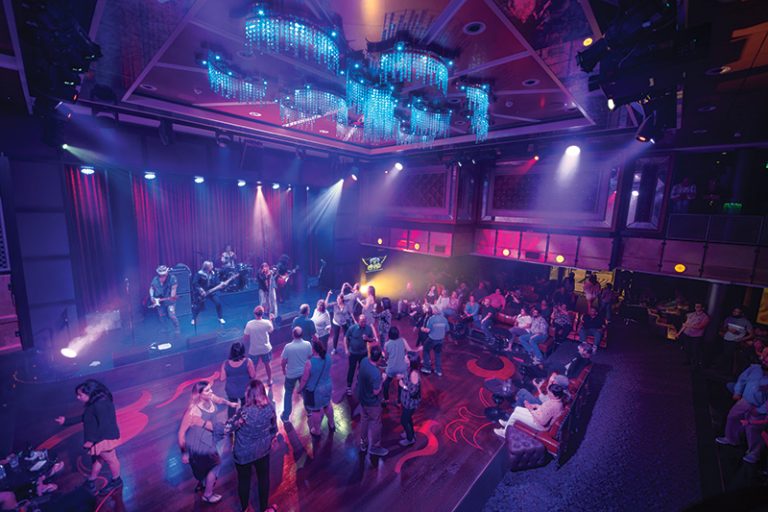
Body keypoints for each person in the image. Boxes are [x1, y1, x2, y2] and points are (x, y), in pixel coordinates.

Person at [54, 380, 122, 495]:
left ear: (90, 393)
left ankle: (117, 480)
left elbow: (105, 426)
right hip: (99, 439)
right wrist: (66, 421)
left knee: (111, 460)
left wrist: (92, 441)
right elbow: (86, 418)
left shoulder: (100, 405)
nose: (78, 397)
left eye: (80, 395)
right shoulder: (94, 403)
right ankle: (91, 480)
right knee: (98, 460)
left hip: (104, 439)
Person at [177, 381, 236, 504]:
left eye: (211, 389)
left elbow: (219, 400)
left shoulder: (210, 397)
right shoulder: (193, 410)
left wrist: (229, 403)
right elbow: (181, 433)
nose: (211, 392)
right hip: (198, 442)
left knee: (207, 465)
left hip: (210, 437)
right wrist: (184, 453)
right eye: (208, 390)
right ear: (199, 394)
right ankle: (208, 494)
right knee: (216, 464)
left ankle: (203, 483)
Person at [229, 379, 278, 512]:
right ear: (263, 392)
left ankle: (245, 509)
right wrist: (273, 440)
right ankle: (264, 509)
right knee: (263, 479)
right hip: (263, 450)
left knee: (244, 481)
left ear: (248, 394)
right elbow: (274, 428)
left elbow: (228, 428)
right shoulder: (270, 408)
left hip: (244, 453)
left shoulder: (243, 412)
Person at [715, 348, 768, 463]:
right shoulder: (755, 369)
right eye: (764, 357)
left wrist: (760, 410)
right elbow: (742, 379)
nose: (764, 359)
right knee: (732, 417)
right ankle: (731, 438)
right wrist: (738, 392)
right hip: (745, 400)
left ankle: (754, 453)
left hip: (760, 407)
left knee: (753, 429)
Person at [493, 383, 566, 438]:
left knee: (515, 415)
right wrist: (535, 406)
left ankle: (505, 433)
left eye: (550, 394)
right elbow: (544, 409)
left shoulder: (554, 406)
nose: (548, 395)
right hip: (538, 415)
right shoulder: (555, 401)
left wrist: (530, 409)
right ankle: (508, 423)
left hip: (540, 425)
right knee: (517, 409)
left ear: (556, 396)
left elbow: (542, 421)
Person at [299, 339, 334, 436]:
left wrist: (300, 389)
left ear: (313, 350)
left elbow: (304, 380)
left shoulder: (309, 363)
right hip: (328, 386)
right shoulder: (328, 357)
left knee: (316, 410)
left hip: (316, 391)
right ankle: (331, 423)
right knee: (327, 405)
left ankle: (317, 431)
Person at [358, 346, 388, 456]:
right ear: (379, 358)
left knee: (364, 420)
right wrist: (383, 380)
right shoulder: (376, 373)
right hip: (372, 403)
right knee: (376, 424)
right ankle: (375, 447)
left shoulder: (364, 361)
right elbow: (376, 391)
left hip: (362, 399)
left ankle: (363, 443)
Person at [280, 327, 312, 424]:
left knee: (288, 393)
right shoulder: (307, 344)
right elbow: (309, 357)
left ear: (293, 335)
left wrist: (283, 370)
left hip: (291, 374)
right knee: (305, 391)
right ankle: (309, 410)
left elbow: (283, 361)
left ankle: (286, 416)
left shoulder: (288, 347)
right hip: (303, 373)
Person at [382, 326, 420, 405]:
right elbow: (410, 351)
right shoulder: (403, 340)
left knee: (386, 382)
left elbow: (385, 356)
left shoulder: (387, 344)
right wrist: (418, 349)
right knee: (401, 382)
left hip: (391, 367)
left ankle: (386, 399)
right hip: (402, 367)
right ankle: (399, 401)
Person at [221, 342, 257, 417]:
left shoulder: (225, 363)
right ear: (243, 351)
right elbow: (253, 375)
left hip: (231, 390)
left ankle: (230, 423)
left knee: (232, 407)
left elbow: (222, 378)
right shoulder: (248, 361)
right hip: (244, 390)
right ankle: (244, 421)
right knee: (245, 406)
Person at [345, 314, 375, 396]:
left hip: (363, 353)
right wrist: (346, 349)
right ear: (358, 321)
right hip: (353, 353)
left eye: (365, 321)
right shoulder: (352, 328)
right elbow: (346, 338)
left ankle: (360, 382)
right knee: (351, 369)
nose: (364, 323)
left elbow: (373, 339)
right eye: (362, 322)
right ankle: (349, 386)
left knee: (362, 368)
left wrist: (368, 339)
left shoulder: (368, 329)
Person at [244, 306, 275, 386]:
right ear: (262, 313)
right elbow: (271, 330)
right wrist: (271, 320)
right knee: (267, 364)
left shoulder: (249, 324)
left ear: (254, 314)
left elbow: (246, 338)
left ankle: (253, 382)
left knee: (253, 366)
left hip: (254, 349)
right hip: (266, 348)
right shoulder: (267, 323)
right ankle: (270, 379)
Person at [720, 306, 754, 375]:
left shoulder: (745, 322)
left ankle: (729, 372)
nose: (735, 313)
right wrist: (728, 330)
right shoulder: (728, 319)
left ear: (741, 313)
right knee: (725, 355)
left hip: (736, 341)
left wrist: (741, 339)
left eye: (737, 312)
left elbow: (752, 334)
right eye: (734, 311)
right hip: (726, 339)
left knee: (730, 356)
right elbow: (723, 329)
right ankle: (723, 370)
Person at [676, 302, 710, 368]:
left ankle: (695, 364)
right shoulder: (691, 314)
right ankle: (687, 360)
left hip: (696, 336)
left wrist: (689, 325)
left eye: (698, 306)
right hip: (687, 334)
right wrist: (678, 333)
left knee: (695, 350)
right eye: (696, 306)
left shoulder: (705, 317)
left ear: (702, 308)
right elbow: (685, 325)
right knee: (686, 348)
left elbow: (700, 327)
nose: (696, 308)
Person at [399, 353, 422, 447]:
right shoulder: (409, 369)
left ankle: (410, 439)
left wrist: (403, 386)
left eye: (406, 357)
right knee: (408, 418)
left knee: (404, 420)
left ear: (410, 361)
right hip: (406, 401)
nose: (404, 357)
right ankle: (411, 432)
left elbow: (413, 391)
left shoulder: (414, 374)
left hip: (410, 402)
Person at [192, 261, 226, 326]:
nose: (212, 267)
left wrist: (221, 283)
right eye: (211, 266)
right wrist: (201, 290)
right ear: (207, 267)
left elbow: (217, 282)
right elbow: (195, 283)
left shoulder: (213, 273)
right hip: (202, 292)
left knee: (218, 303)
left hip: (212, 292)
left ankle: (220, 318)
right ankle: (194, 319)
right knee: (198, 307)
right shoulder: (200, 274)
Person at [149, 265, 179, 332]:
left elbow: (173, 294)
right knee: (161, 316)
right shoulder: (155, 279)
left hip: (170, 301)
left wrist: (171, 297)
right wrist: (152, 296)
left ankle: (177, 329)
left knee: (172, 315)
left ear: (167, 273)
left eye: (164, 275)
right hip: (159, 302)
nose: (162, 277)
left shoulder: (172, 278)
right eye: (160, 275)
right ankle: (165, 328)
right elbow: (151, 288)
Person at [422, 306, 449, 376]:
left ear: (434, 311)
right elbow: (447, 329)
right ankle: (438, 371)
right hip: (441, 340)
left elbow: (428, 330)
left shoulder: (431, 319)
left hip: (432, 339)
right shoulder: (444, 319)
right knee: (438, 354)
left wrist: (422, 329)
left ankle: (427, 368)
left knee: (425, 350)